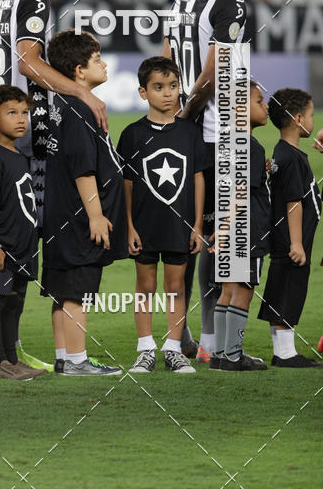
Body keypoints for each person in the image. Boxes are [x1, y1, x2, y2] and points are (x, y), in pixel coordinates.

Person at [0, 0, 107, 368]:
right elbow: (28, 63)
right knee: (20, 239)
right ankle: (3, 351)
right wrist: (81, 90)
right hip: (26, 135)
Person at [163, 0, 251, 363]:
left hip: (184, 136)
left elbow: (165, 56)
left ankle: (186, 339)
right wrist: (190, 109)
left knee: (197, 235)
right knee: (226, 238)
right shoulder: (230, 1)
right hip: (217, 134)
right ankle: (216, 345)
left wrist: (170, 114)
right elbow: (218, 67)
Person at [41, 29, 124, 376]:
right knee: (77, 290)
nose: (104, 64)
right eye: (96, 59)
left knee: (63, 290)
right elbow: (82, 166)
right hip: (78, 217)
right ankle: (76, 360)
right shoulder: (80, 108)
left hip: (58, 213)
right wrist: (95, 215)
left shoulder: (63, 106)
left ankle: (64, 357)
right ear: (78, 71)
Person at [117, 57, 207, 374]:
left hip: (179, 225)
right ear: (143, 92)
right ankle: (145, 349)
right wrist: (128, 227)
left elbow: (197, 178)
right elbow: (125, 185)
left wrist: (196, 225)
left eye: (172, 86)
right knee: (145, 286)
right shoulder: (132, 134)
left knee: (176, 286)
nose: (167, 93)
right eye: (158, 87)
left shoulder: (190, 133)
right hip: (144, 225)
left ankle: (173, 348)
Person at [0, 86, 46, 380]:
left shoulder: (18, 156)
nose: (21, 119)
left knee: (15, 301)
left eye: (25, 113)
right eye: (11, 113)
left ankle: (12, 359)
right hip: (2, 245)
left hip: (21, 245)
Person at [257, 88, 322, 367]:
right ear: (297, 118)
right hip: (292, 239)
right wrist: (297, 242)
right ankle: (285, 353)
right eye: (310, 115)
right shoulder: (293, 158)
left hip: (284, 237)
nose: (313, 120)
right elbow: (293, 203)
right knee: (290, 288)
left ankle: (282, 350)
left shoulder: (283, 153)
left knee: (282, 285)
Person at [209, 82, 270, 371]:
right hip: (246, 232)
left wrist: (221, 228)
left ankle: (220, 355)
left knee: (227, 290)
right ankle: (234, 356)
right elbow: (242, 192)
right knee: (243, 291)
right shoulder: (251, 146)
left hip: (228, 229)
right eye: (259, 101)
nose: (266, 106)